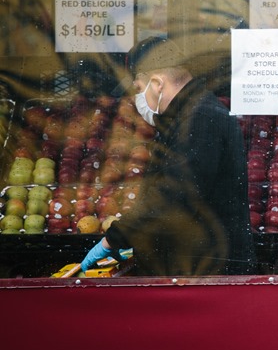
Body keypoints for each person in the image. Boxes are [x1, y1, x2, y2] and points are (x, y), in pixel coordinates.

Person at [80, 36, 256, 276]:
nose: (137, 98)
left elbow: (174, 194)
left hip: (207, 275)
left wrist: (114, 239)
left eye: (138, 89)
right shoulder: (188, 115)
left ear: (157, 83)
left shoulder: (200, 118)